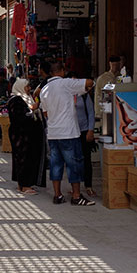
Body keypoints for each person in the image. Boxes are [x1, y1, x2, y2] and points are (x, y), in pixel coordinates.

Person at [39, 62, 95, 205]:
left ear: (51, 73)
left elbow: (45, 113)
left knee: (55, 165)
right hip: (69, 132)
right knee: (73, 164)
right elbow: (89, 82)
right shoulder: (66, 84)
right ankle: (76, 196)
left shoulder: (44, 89)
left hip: (53, 133)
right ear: (62, 71)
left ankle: (57, 195)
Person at [8, 78, 47, 194]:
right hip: (21, 136)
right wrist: (32, 109)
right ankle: (25, 185)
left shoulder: (25, 99)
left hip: (27, 135)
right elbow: (19, 117)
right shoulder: (16, 100)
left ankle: (23, 184)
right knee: (24, 159)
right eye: (27, 87)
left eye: (29, 86)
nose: (29, 89)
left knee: (26, 159)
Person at [71, 72, 97, 197]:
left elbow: (91, 113)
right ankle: (74, 187)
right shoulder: (66, 95)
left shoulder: (85, 96)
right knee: (73, 160)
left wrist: (90, 130)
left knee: (86, 159)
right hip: (70, 132)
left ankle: (88, 185)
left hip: (84, 130)